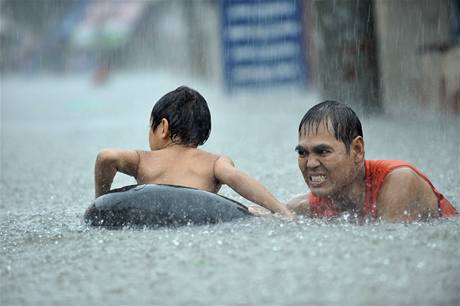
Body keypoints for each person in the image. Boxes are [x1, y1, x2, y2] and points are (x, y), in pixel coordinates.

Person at [94, 86, 292, 216]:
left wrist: (101, 205)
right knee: (255, 214)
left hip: (152, 215)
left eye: (150, 127)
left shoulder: (143, 159)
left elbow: (106, 157)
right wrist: (282, 211)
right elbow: (236, 178)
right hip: (198, 215)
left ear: (162, 127)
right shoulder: (213, 161)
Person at [287, 100, 458, 222]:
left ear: (357, 150)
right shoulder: (305, 206)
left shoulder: (399, 182)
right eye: (302, 153)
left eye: (323, 151)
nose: (310, 163)